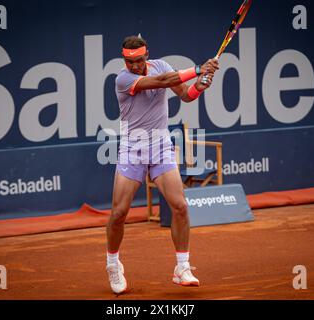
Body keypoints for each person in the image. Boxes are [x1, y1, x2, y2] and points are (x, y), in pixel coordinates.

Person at [105, 35, 219, 294]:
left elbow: (186, 95)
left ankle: (182, 267)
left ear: (147, 56)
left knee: (179, 206)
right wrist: (199, 69)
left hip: (160, 146)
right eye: (128, 61)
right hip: (132, 149)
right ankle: (113, 264)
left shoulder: (163, 65)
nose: (133, 65)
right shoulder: (122, 79)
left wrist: (200, 85)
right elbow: (163, 82)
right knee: (119, 213)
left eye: (138, 60)